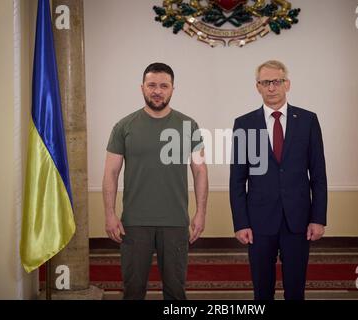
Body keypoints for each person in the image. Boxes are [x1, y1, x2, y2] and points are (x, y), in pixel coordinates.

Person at [103, 62, 208, 300]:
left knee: (175, 291)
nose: (157, 91)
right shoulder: (124, 126)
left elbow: (200, 171)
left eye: (163, 85)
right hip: (134, 222)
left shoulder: (188, 125)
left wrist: (200, 212)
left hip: (175, 222)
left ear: (172, 89)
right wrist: (110, 214)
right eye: (152, 85)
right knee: (133, 290)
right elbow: (110, 173)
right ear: (142, 88)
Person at [229, 60, 327, 300]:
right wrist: (241, 222)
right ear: (258, 87)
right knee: (262, 291)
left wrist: (318, 218)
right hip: (259, 221)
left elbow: (319, 175)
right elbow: (237, 179)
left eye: (277, 82)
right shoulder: (244, 124)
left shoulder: (308, 120)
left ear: (287, 84)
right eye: (265, 82)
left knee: (295, 290)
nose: (271, 87)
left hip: (299, 220)